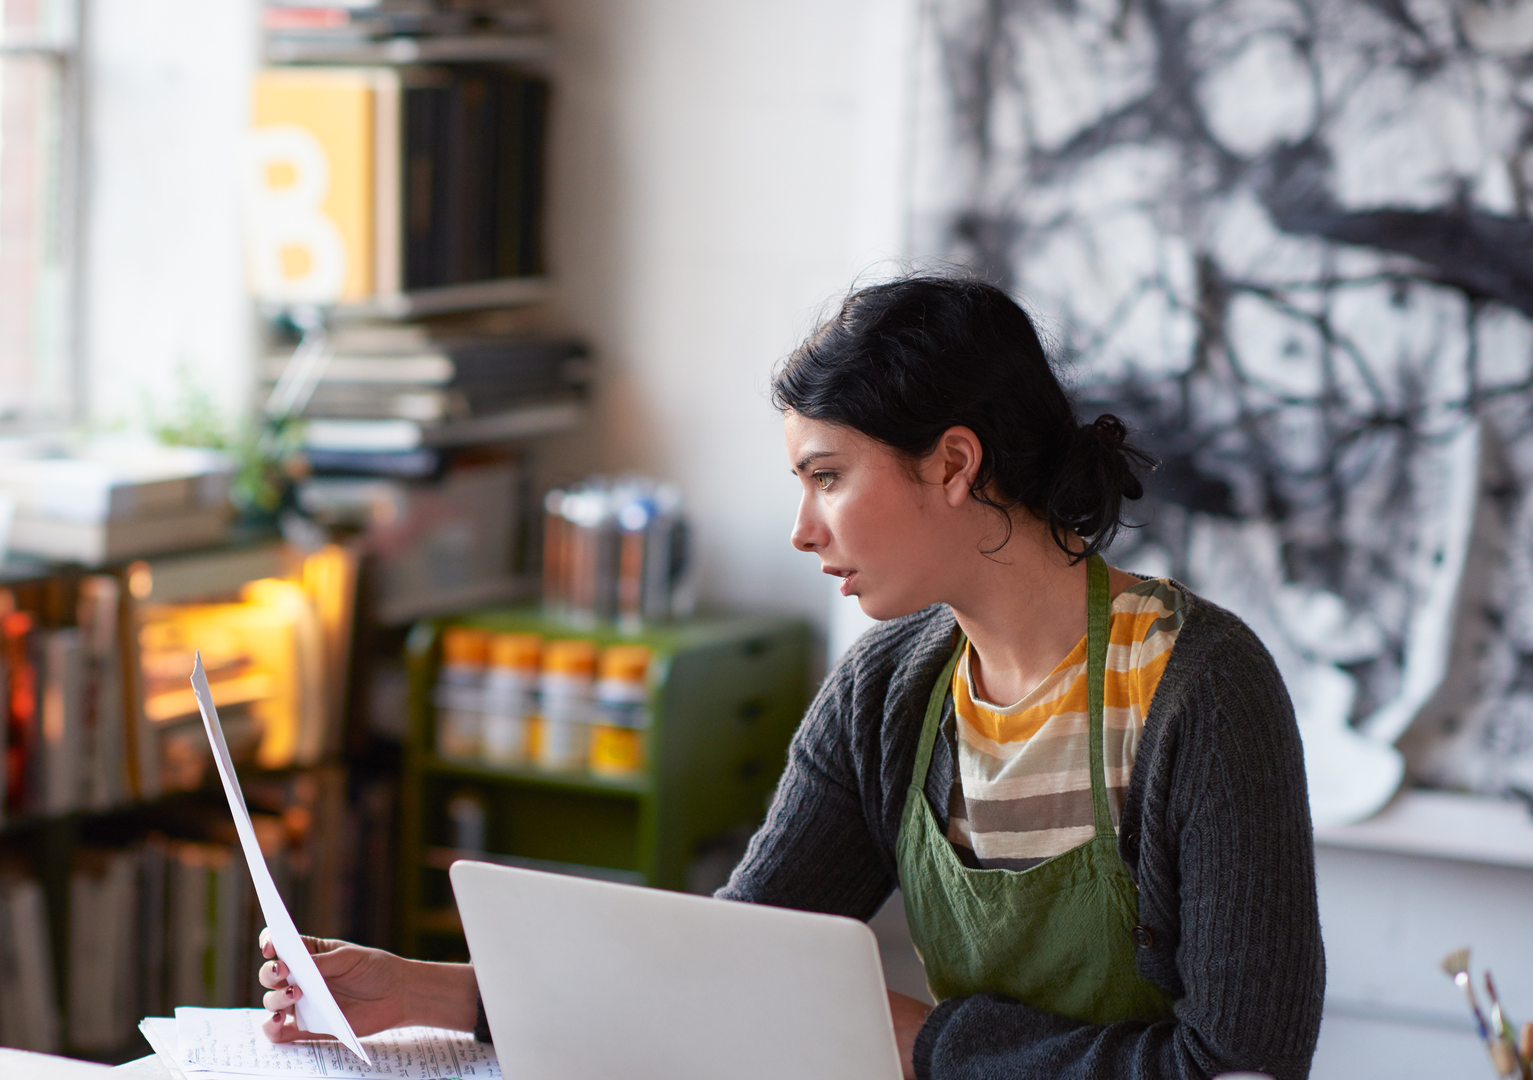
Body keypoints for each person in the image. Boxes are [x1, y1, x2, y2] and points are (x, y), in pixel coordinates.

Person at [256, 276, 1325, 1080]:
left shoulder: (1200, 690)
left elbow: (1239, 1069)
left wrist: (931, 1044)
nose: (802, 530)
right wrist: (435, 991)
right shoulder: (888, 692)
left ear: (954, 464)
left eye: (829, 478)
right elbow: (724, 965)